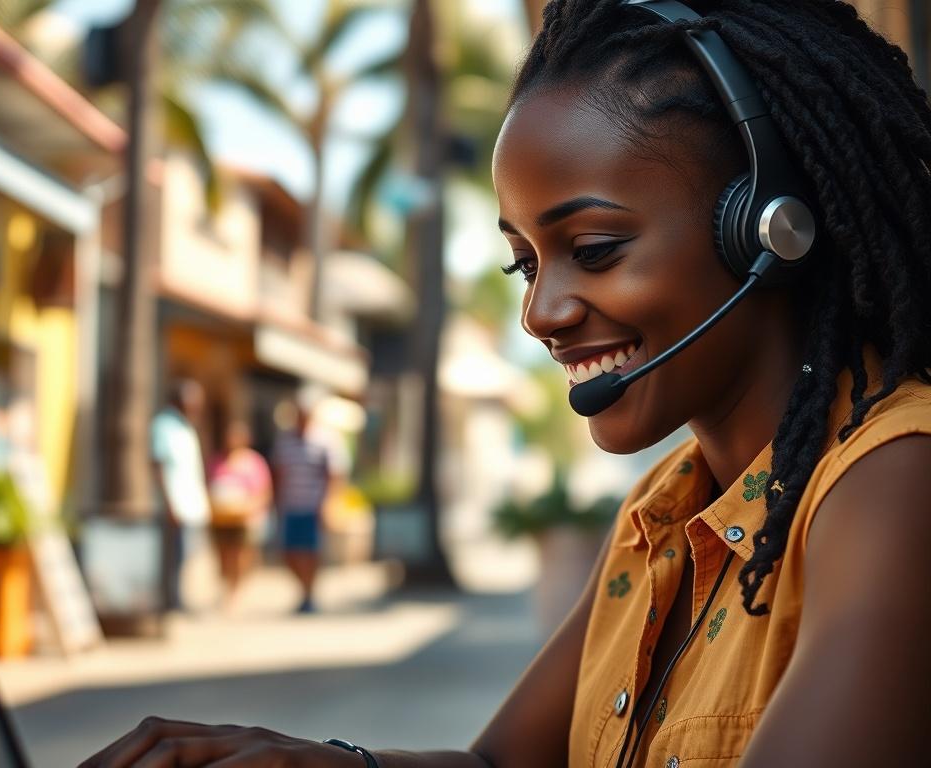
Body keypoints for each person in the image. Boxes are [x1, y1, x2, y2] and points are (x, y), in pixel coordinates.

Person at [80, 1, 931, 765]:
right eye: (524, 264)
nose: (541, 313)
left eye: (593, 250)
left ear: (769, 228)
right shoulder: (663, 509)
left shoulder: (897, 482)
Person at [151, 379, 211, 613]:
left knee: (187, 554)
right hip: (176, 504)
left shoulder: (187, 427)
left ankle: (180, 599)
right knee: (174, 555)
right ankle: (171, 600)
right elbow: (159, 467)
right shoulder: (163, 426)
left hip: (190, 503)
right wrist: (170, 503)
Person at [271, 402, 330, 614]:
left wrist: (328, 504)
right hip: (290, 505)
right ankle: (304, 591)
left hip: (313, 506)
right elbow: (278, 473)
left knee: (311, 552)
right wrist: (276, 502)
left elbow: (334, 474)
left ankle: (309, 594)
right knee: (289, 553)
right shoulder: (285, 441)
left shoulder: (324, 441)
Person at [208, 420, 273, 612]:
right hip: (221, 518)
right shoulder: (217, 461)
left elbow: (264, 492)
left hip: (244, 518)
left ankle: (235, 592)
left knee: (240, 556)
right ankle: (226, 588)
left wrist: (250, 509)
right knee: (223, 555)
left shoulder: (254, 462)